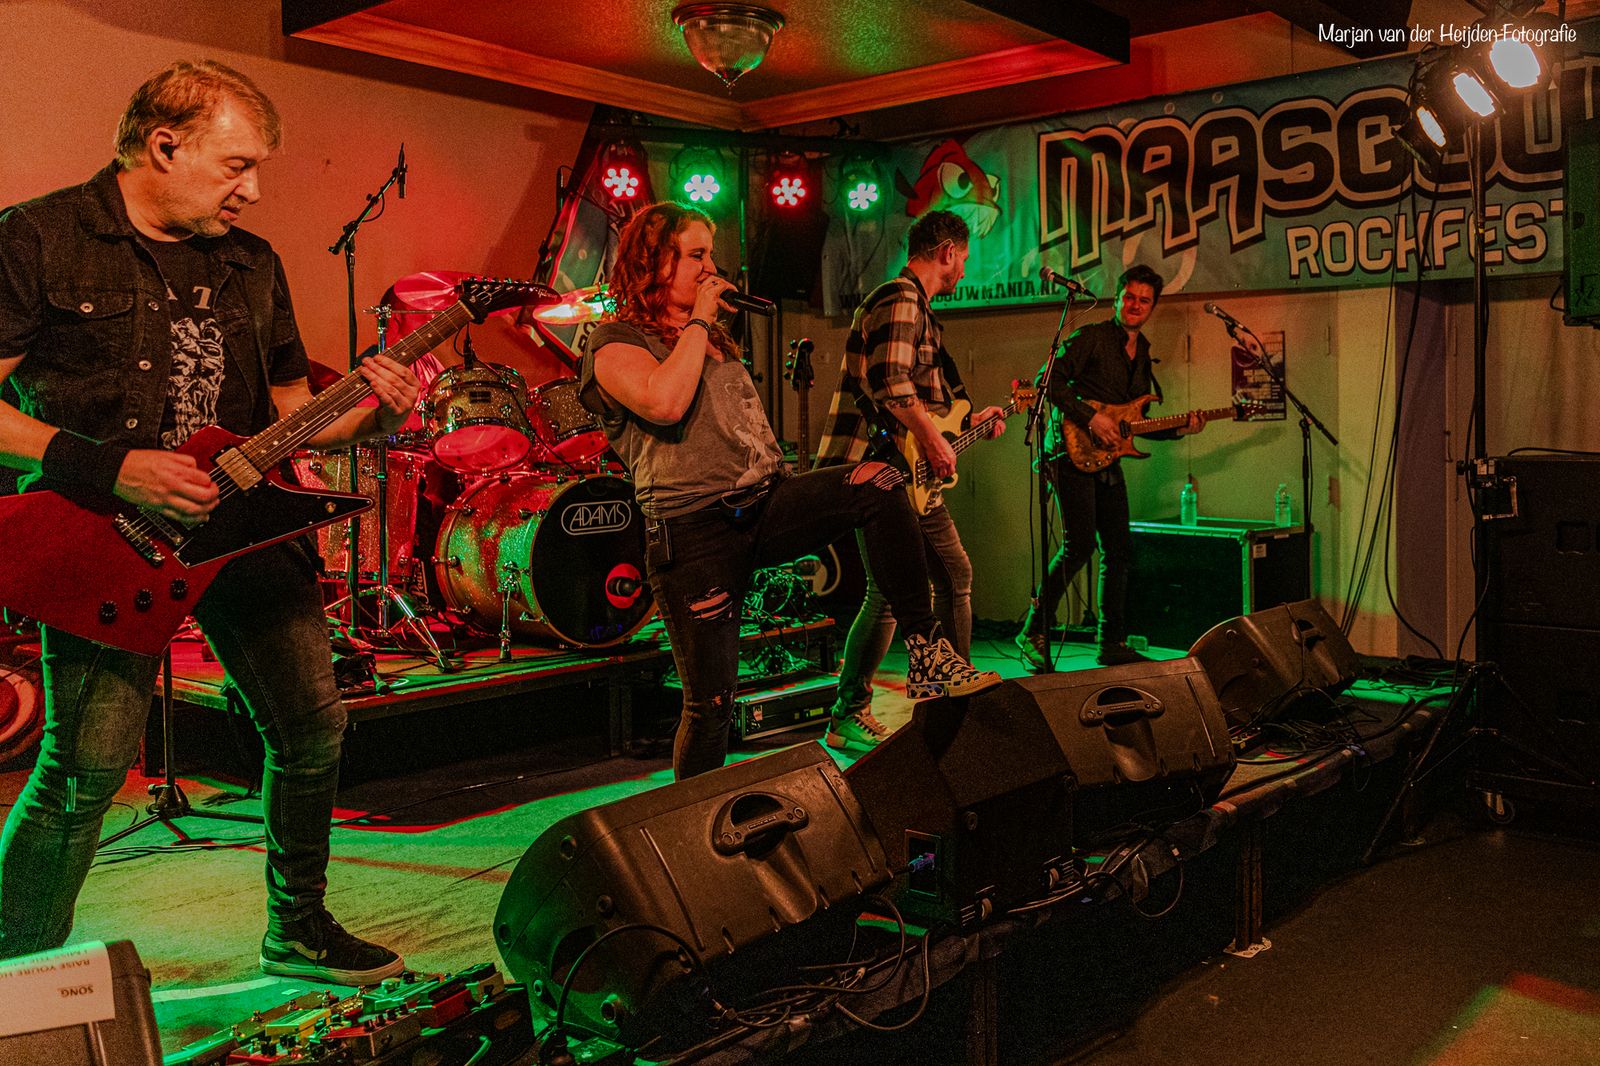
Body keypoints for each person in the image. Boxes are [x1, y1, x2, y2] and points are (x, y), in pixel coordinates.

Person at [0, 60, 419, 983]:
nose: (254, 190)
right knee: (83, 774)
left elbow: (292, 413)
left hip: (245, 528)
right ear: (164, 145)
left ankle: (298, 928)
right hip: (108, 539)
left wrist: (372, 417)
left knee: (312, 729)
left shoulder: (251, 263)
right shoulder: (36, 238)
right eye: (237, 165)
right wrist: (109, 467)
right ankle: (15, 985)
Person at [579, 202, 1000, 780]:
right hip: (695, 533)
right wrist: (699, 322)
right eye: (696, 255)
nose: (711, 268)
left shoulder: (712, 338)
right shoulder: (613, 341)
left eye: (711, 255)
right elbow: (664, 402)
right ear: (654, 262)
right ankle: (696, 817)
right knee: (712, 706)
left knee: (880, 482)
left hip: (766, 503)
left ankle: (927, 651)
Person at [814, 210, 1007, 754]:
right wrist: (931, 438)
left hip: (906, 474)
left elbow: (926, 401)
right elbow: (889, 380)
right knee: (925, 583)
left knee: (907, 588)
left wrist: (968, 422)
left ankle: (925, 695)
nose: (963, 271)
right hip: (882, 470)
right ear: (947, 252)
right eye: (963, 260)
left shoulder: (920, 310)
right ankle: (933, 699)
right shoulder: (899, 297)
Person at [1015, 264, 1204, 671]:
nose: (1135, 305)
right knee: (1079, 545)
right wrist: (1090, 417)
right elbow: (1048, 380)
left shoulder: (1143, 352)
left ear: (1152, 306)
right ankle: (1033, 631)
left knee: (1119, 549)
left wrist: (1180, 430)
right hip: (1068, 453)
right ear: (1117, 299)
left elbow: (1132, 423)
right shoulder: (1092, 337)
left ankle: (1111, 642)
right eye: (1129, 297)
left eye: (1144, 300)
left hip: (1106, 459)